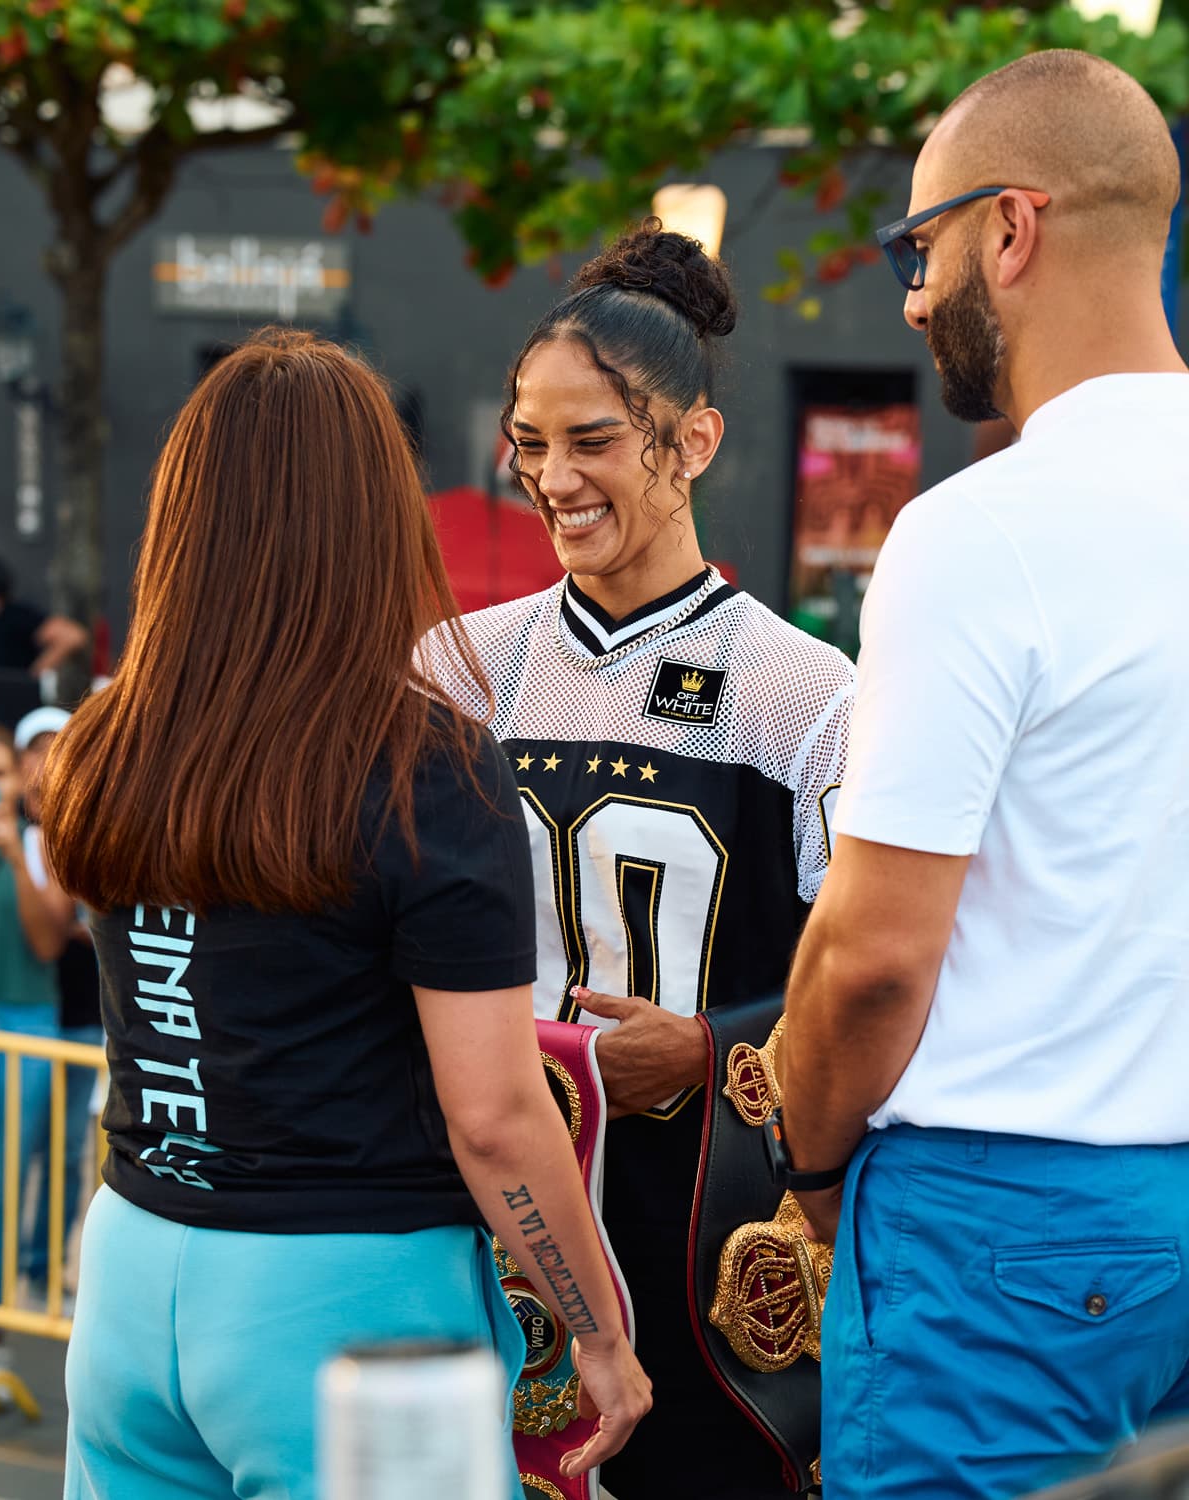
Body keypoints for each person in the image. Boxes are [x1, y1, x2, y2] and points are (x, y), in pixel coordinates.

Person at [41, 327, 650, 1500]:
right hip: (350, 1307)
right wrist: (598, 1331)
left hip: (130, 1271)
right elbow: (495, 1118)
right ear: (376, 521)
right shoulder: (429, 768)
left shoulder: (109, 744)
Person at [779, 48, 1189, 1500]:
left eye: (919, 243)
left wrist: (810, 1177)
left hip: (1000, 1221)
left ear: (1010, 231)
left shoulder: (979, 532)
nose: (908, 290)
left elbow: (876, 960)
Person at [422, 223, 854, 1498]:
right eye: (530, 441)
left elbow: (870, 971)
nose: (552, 475)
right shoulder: (460, 665)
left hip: (703, 1241)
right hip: (493, 1220)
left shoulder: (799, 689)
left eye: (594, 438)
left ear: (695, 442)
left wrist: (716, 1048)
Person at [0, 721, 73, 1371]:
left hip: (26, 1026)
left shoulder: (43, 844)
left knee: (4, 1181)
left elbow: (49, 941)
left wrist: (16, 857)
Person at [12, 706, 101, 1305]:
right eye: (37, 749)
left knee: (68, 1153)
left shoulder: (92, 831)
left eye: (58, 748)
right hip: (24, 1018)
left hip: (84, 1021)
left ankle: (43, 1275)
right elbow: (54, 928)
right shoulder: (10, 836)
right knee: (11, 1154)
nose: (47, 762)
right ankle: (6, 1274)